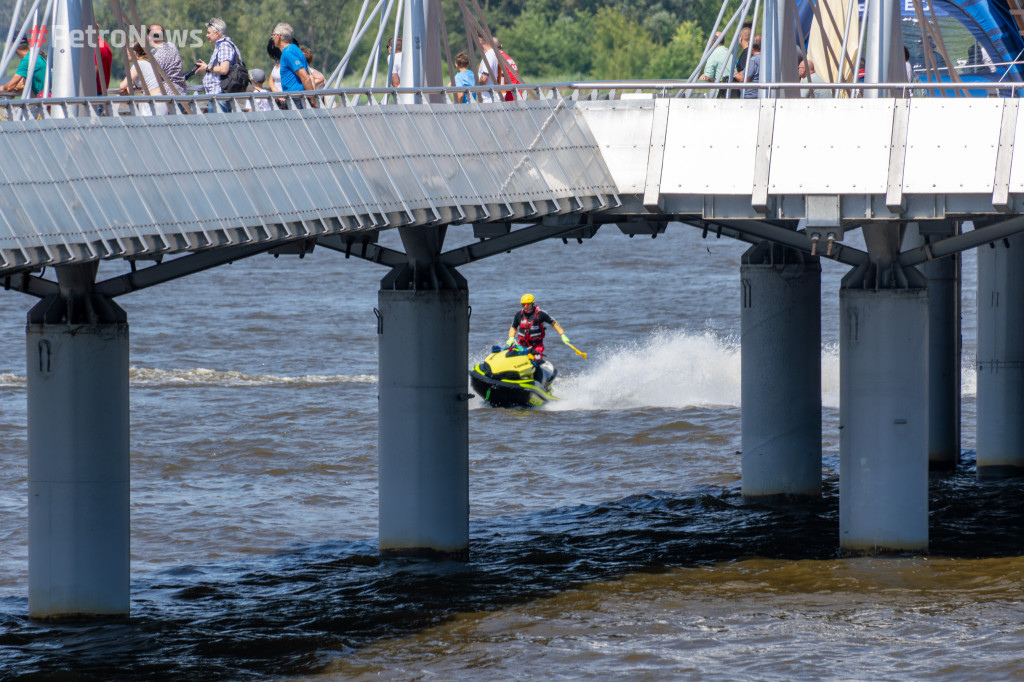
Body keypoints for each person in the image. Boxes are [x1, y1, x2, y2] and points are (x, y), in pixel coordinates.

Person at [507, 294, 570, 362]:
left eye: (527, 304)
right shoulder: (518, 315)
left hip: (536, 346)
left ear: (532, 304)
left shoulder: (541, 314)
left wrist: (562, 334)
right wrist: (511, 337)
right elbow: (513, 327)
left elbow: (554, 323)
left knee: (536, 361)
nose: (525, 306)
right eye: (523, 304)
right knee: (516, 359)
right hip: (522, 345)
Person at [194, 17, 240, 112]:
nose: (207, 35)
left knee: (219, 125)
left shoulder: (224, 46)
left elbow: (224, 69)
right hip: (217, 95)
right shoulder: (222, 45)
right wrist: (208, 67)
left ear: (217, 33)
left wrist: (207, 68)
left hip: (219, 95)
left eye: (208, 33)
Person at [271, 22, 316, 107]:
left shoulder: (288, 52)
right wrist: (312, 98)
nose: (272, 38)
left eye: (273, 35)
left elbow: (305, 77)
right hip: (299, 98)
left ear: (278, 36)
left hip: (296, 99)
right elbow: (310, 75)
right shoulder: (296, 49)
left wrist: (312, 100)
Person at [118, 42, 168, 116]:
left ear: (134, 52)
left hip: (153, 101)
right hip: (161, 99)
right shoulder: (147, 63)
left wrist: (129, 86)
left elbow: (122, 85)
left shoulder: (138, 65)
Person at [148, 24, 186, 94]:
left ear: (148, 36)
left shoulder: (156, 56)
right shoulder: (172, 46)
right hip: (181, 93)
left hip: (167, 98)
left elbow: (151, 78)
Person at [699, 31, 729, 98]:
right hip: (732, 93)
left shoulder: (713, 54)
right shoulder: (729, 53)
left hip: (720, 95)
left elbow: (709, 77)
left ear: (712, 42)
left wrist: (705, 77)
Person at [476, 33, 498, 103]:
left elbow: (484, 78)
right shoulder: (495, 54)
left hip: (488, 99)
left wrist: (476, 86)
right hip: (494, 97)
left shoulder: (489, 56)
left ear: (480, 41)